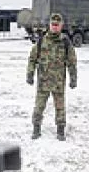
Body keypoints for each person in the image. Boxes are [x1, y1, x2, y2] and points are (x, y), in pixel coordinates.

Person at [26, 13, 77, 141]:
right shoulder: (42, 41)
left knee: (60, 107)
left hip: (58, 82)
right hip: (43, 81)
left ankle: (60, 130)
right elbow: (32, 59)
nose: (54, 27)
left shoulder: (65, 42)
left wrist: (73, 78)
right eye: (52, 24)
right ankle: (36, 128)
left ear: (61, 26)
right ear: (49, 25)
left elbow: (72, 62)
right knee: (39, 106)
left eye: (57, 25)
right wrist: (30, 74)